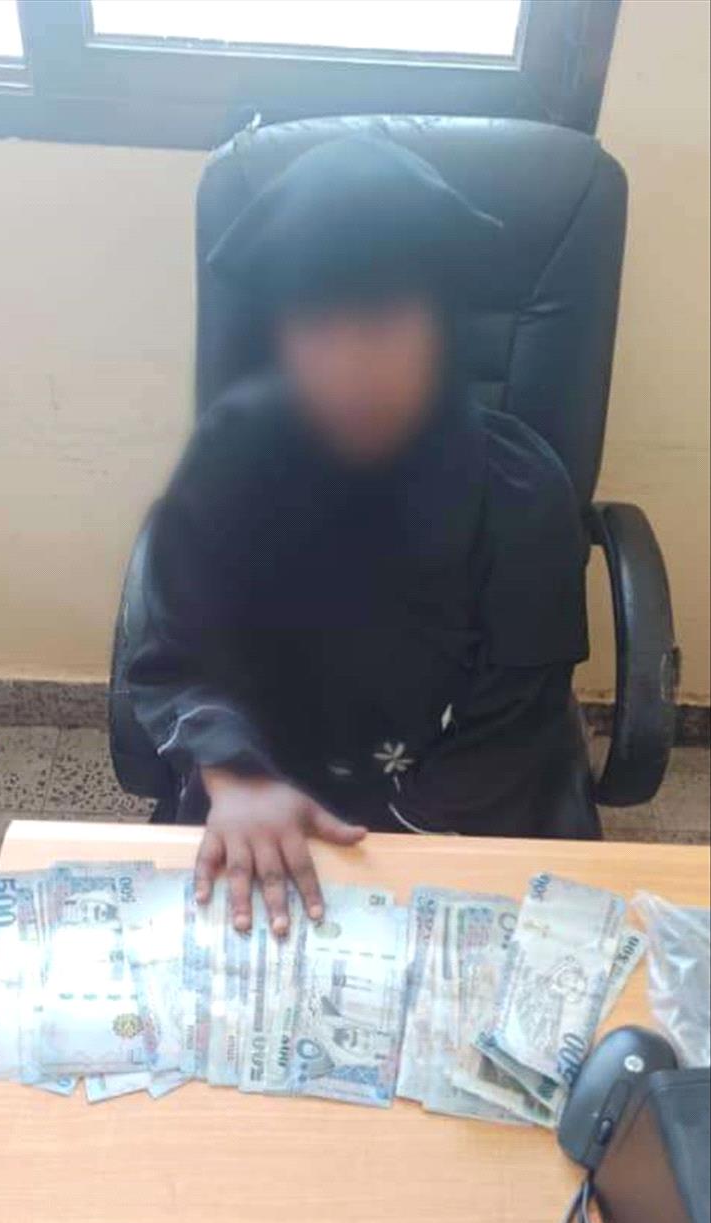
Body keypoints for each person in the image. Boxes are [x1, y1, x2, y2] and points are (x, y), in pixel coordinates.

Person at [128, 136, 599, 937]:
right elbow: (178, 657)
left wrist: (378, 853)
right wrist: (238, 777)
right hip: (264, 780)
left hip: (463, 801)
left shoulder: (521, 492)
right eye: (317, 323)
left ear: (442, 328)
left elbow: (514, 729)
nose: (350, 367)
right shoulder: (230, 462)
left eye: (383, 321)